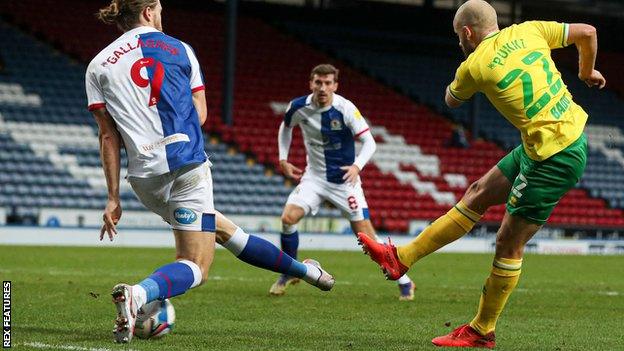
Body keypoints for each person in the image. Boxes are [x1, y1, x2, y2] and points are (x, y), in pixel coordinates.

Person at [358, 0, 605, 348]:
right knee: (477, 192)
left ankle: (482, 330)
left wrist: (463, 73)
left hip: (555, 157)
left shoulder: (474, 65)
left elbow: (451, 100)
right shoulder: (530, 30)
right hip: (549, 142)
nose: (460, 42)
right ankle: (400, 258)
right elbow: (588, 33)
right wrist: (585, 72)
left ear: (467, 33)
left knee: (508, 242)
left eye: (459, 37)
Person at [86, 0, 334, 343]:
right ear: (147, 12)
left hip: (144, 177)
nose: (162, 14)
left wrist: (113, 197)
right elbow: (199, 116)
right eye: (159, 8)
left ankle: (308, 272)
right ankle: (139, 295)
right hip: (186, 165)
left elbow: (107, 136)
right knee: (196, 266)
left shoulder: (98, 64)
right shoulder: (181, 49)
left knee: (220, 228)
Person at [273, 64, 415, 301]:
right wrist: (282, 158)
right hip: (314, 178)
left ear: (335, 86)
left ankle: (405, 281)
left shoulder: (345, 108)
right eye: (318, 82)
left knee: (367, 238)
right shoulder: (298, 107)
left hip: (344, 183)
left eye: (328, 83)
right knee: (288, 218)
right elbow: (285, 128)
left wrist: (357, 165)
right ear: (311, 83)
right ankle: (289, 271)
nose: (323, 88)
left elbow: (370, 142)